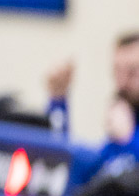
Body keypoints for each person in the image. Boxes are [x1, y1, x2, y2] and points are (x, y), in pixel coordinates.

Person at [46, 33, 139, 176]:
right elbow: (76, 169)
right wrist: (58, 101)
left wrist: (128, 139)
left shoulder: (126, 134)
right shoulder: (118, 137)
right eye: (117, 71)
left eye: (132, 72)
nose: (121, 83)